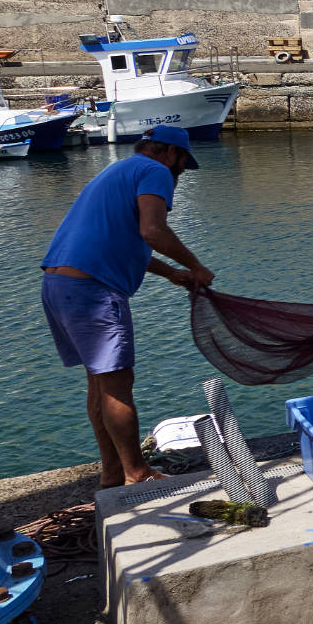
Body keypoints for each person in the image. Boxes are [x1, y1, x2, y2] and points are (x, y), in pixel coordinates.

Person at [40, 125, 215, 491]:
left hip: (59, 283)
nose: (179, 173)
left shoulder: (118, 169)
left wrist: (170, 272)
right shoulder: (154, 170)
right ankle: (137, 473)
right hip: (92, 289)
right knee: (118, 386)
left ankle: (112, 474)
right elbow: (152, 230)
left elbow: (120, 237)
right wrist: (197, 266)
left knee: (100, 384)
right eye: (182, 165)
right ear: (170, 153)